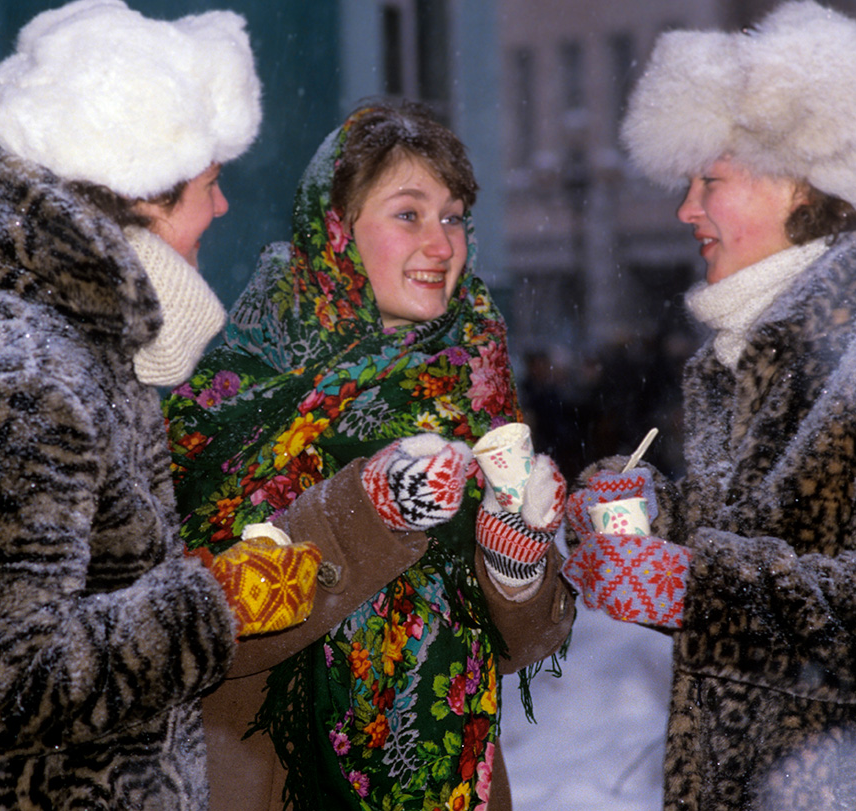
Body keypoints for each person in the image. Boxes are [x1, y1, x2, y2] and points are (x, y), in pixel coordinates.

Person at [0, 3, 315, 809]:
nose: (220, 209)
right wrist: (212, 602)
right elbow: (1, 682)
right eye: (210, 185)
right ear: (141, 195)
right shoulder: (27, 379)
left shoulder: (51, 325)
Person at [561, 2, 856, 810]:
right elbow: (777, 543)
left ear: (803, 183)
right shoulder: (746, 359)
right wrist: (650, 516)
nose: (685, 209)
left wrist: (693, 585)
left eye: (710, 180)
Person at [163, 101, 576, 811]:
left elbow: (521, 641)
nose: (442, 244)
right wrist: (366, 513)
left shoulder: (472, 374)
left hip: (448, 781)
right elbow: (203, 630)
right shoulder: (241, 382)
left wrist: (515, 570)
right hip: (275, 779)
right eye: (408, 214)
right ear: (336, 232)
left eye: (453, 217)